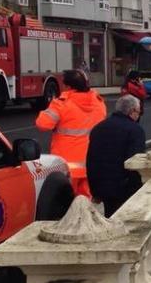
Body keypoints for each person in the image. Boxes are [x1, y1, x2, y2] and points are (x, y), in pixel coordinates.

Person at [36, 69, 107, 197]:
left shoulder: (61, 104)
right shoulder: (98, 102)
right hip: (91, 163)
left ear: (68, 86)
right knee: (85, 203)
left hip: (67, 167)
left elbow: (42, 124)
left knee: (66, 205)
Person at [86, 95, 146, 217]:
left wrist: (94, 191)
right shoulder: (135, 130)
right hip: (125, 189)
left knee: (110, 217)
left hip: (102, 187)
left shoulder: (98, 128)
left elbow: (91, 161)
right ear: (132, 111)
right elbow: (135, 162)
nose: (138, 116)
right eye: (138, 112)